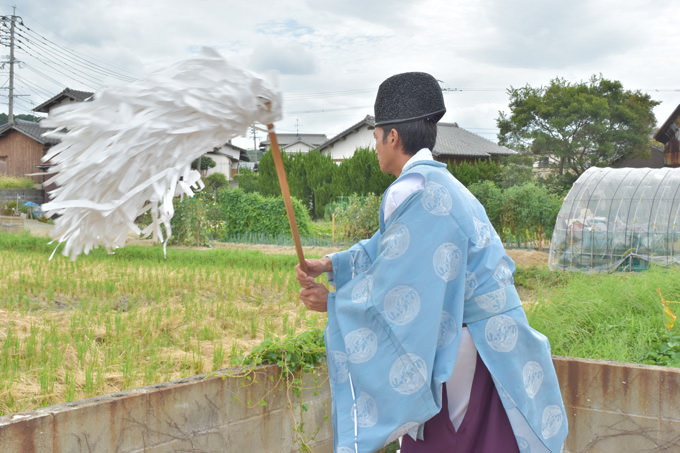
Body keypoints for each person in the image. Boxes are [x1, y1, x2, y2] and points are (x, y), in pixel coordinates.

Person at [295, 72, 567, 452]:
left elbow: (398, 285)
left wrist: (334, 304)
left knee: (444, 441)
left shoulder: (409, 190)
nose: (375, 147)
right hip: (495, 335)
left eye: (376, 137)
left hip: (463, 341)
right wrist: (330, 264)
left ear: (392, 137)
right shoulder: (442, 185)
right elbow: (388, 248)